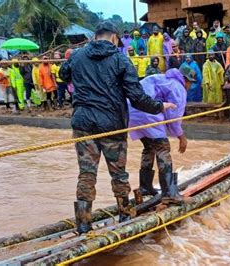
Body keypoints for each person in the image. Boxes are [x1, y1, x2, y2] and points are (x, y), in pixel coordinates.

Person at [59, 21, 176, 233]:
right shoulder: (121, 59)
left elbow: (62, 74)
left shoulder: (77, 55)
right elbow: (137, 97)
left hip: (83, 123)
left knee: (86, 173)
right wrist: (160, 106)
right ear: (114, 37)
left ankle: (84, 225)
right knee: (118, 174)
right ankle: (125, 217)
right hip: (111, 124)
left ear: (95, 36)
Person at [128, 67, 195, 204]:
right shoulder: (178, 87)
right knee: (162, 148)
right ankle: (169, 192)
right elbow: (173, 117)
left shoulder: (162, 78)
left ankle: (145, 187)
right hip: (147, 111)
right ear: (186, 80)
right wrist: (181, 137)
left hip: (132, 111)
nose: (190, 86)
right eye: (191, 83)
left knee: (149, 147)